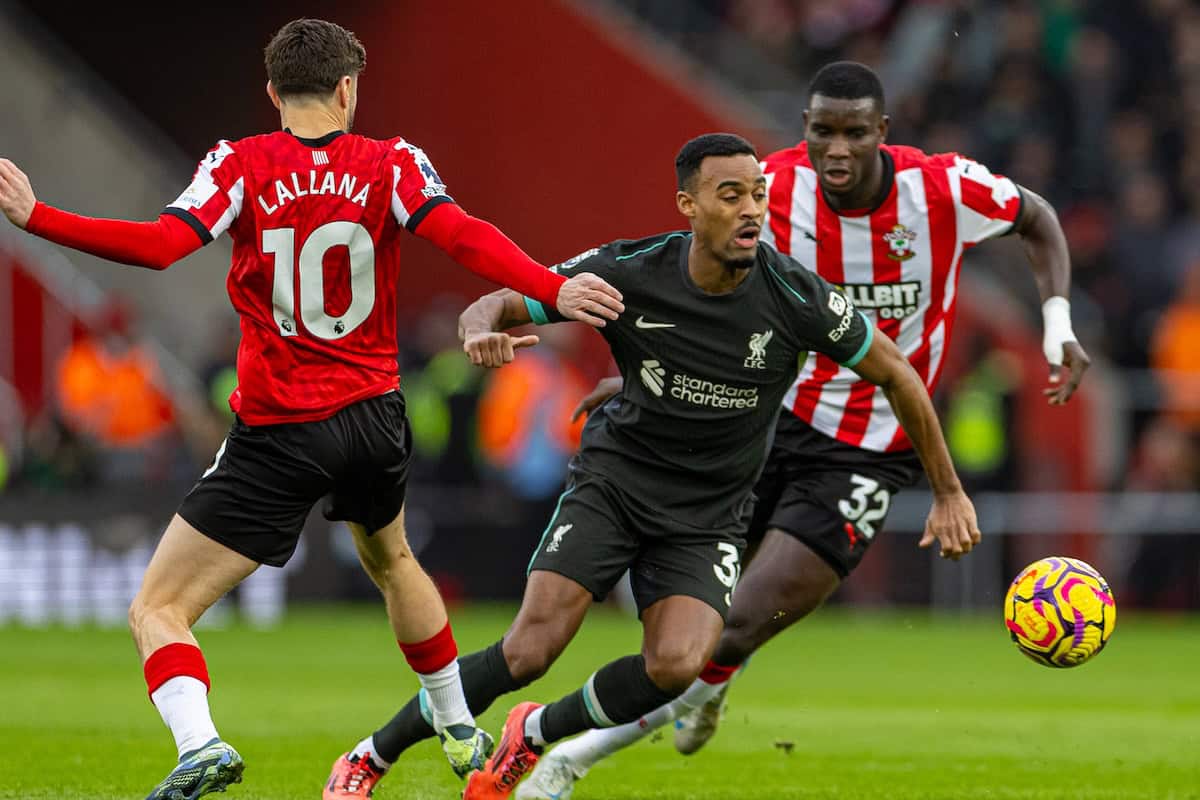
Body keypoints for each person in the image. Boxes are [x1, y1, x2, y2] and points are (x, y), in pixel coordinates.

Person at [0, 18, 623, 800]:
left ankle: (200, 746)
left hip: (281, 426)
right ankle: (458, 721)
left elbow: (160, 245)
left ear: (272, 92)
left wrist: (38, 218)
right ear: (347, 88)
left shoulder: (240, 163)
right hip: (373, 417)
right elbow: (460, 234)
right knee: (393, 560)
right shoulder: (393, 164)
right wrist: (550, 286)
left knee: (157, 607)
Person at [327, 131, 981, 800]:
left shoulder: (794, 295)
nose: (750, 210)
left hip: (708, 514)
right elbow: (496, 301)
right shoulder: (628, 272)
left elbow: (898, 373)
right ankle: (368, 757)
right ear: (688, 205)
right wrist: (478, 328)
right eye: (729, 196)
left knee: (677, 666)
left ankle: (536, 730)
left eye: (758, 194)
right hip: (616, 487)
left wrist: (947, 490)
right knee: (528, 652)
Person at [515, 61, 1092, 800]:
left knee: (740, 625)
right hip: (768, 419)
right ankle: (704, 685)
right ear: (806, 132)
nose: (838, 149)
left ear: (884, 133)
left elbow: (1038, 217)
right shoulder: (771, 187)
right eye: (823, 130)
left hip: (868, 450)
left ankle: (571, 757)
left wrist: (1057, 324)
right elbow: (691, 286)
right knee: (683, 625)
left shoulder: (941, 188)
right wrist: (642, 379)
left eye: (855, 132)